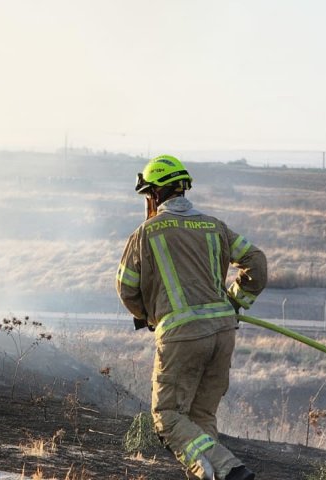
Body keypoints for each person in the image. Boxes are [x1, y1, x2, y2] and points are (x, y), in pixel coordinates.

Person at [115, 155, 267, 480]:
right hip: (223, 333)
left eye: (148, 196)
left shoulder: (146, 233)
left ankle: (231, 471)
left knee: (167, 416)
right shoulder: (214, 226)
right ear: (183, 189)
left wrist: (148, 315)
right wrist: (234, 302)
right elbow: (257, 262)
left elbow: (126, 288)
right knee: (199, 419)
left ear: (154, 194)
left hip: (181, 337)